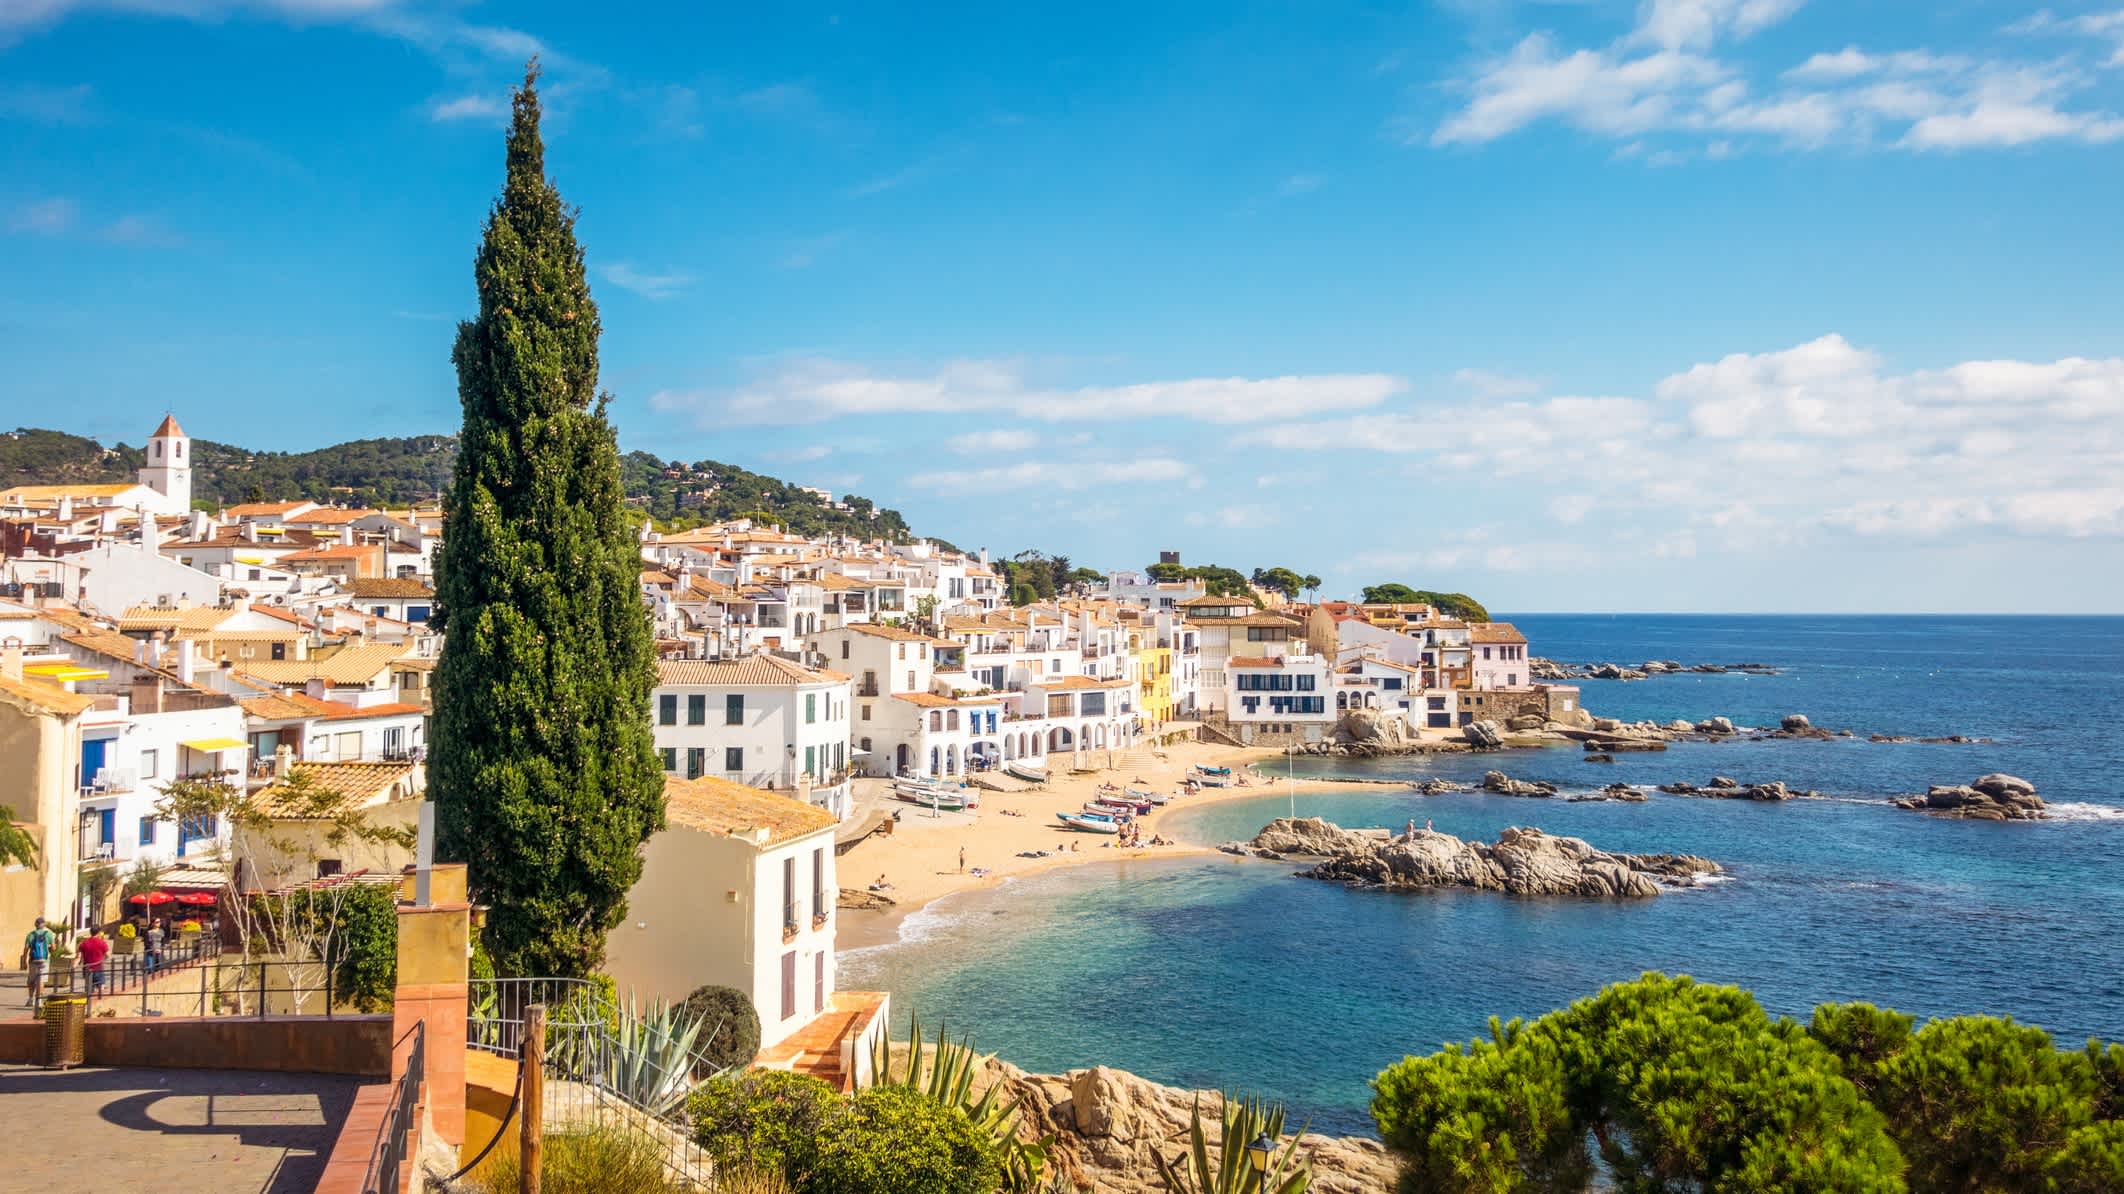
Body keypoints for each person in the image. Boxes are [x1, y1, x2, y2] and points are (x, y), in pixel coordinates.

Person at [21, 917, 55, 1009]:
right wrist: (48, 949)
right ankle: (39, 1000)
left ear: (35, 925)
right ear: (44, 924)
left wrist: (24, 961)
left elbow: (26, 949)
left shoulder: (30, 935)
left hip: (33, 961)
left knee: (31, 980)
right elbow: (53, 948)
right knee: (41, 980)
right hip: (44, 960)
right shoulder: (49, 934)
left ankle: (30, 999)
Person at [79, 925, 110, 996]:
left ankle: (89, 1002)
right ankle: (100, 1000)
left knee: (89, 989)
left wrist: (73, 967)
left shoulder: (83, 943)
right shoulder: (102, 943)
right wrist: (103, 959)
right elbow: (108, 955)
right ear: (99, 932)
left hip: (87, 969)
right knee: (101, 986)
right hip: (98, 968)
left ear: (90, 932)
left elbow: (79, 957)